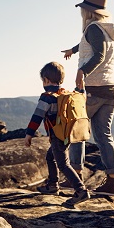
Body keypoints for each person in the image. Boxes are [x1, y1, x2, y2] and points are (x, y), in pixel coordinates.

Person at [60, 0, 114, 196]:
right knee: (104, 135)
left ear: (87, 11)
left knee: (76, 133)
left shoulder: (93, 28)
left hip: (93, 90)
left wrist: (81, 71)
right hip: (110, 90)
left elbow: (99, 53)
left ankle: (75, 178)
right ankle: (113, 182)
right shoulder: (105, 29)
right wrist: (73, 50)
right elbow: (89, 43)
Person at [24, 62, 90, 206]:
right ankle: (53, 185)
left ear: (46, 80)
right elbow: (81, 98)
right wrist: (82, 89)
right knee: (50, 156)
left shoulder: (47, 97)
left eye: (43, 80)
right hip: (68, 133)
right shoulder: (66, 94)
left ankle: (81, 191)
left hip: (57, 135)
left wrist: (29, 134)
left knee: (63, 164)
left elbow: (37, 116)